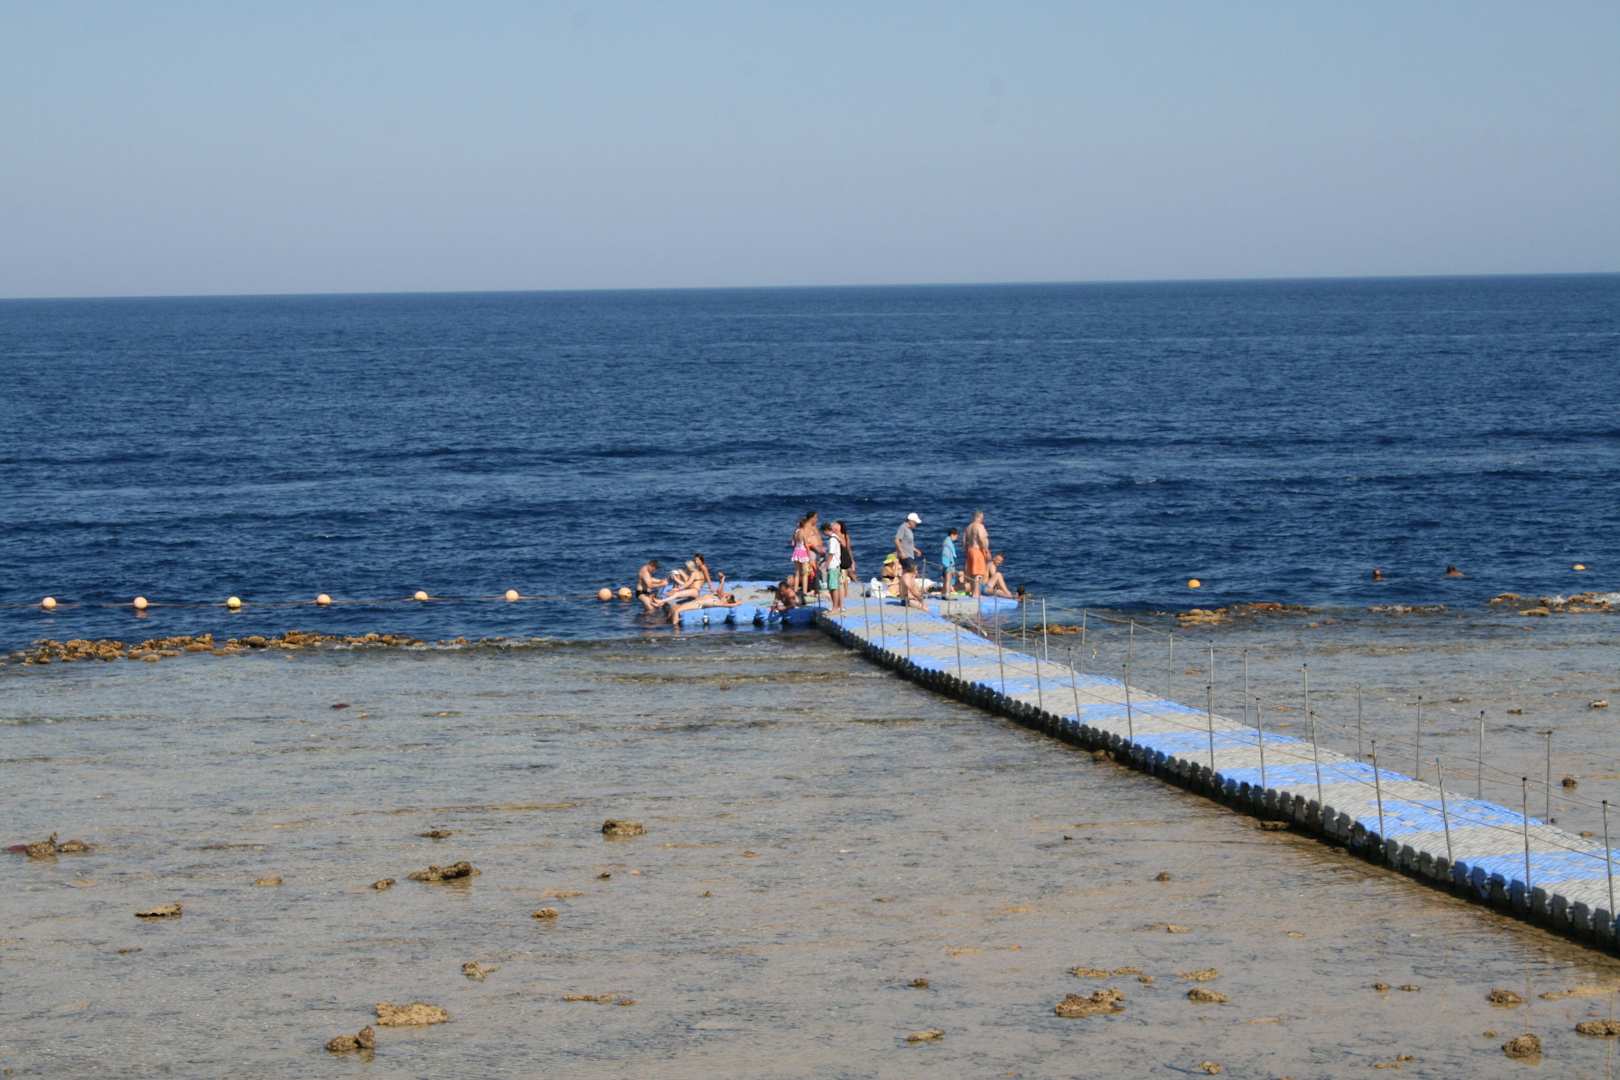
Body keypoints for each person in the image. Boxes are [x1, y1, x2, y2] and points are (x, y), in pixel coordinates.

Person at [893, 512, 925, 609]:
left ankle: (904, 598)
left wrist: (916, 550)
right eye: (915, 522)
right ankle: (916, 596)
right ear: (910, 521)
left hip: (909, 555)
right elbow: (896, 540)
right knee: (911, 575)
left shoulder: (909, 530)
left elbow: (908, 544)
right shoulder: (903, 527)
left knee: (905, 576)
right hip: (905, 556)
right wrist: (901, 552)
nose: (916, 524)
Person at [963, 510, 990, 598]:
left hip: (970, 551)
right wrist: (986, 550)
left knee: (972, 573)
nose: (983, 520)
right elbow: (981, 538)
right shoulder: (979, 526)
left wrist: (966, 552)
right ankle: (976, 594)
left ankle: (973, 592)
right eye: (982, 518)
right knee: (978, 573)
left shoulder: (968, 527)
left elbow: (964, 542)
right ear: (978, 517)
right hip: (977, 550)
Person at [823, 521, 846, 613]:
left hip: (832, 565)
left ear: (825, 530)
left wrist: (826, 564)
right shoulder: (836, 537)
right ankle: (838, 606)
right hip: (836, 565)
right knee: (836, 586)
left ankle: (835, 607)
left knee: (833, 587)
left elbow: (831, 553)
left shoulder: (832, 540)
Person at [940, 527, 960, 596]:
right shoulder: (947, 543)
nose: (956, 538)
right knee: (948, 580)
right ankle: (947, 594)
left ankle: (943, 593)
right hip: (948, 564)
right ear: (952, 535)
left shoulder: (948, 542)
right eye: (956, 536)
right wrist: (947, 564)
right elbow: (946, 554)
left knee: (946, 580)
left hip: (947, 564)